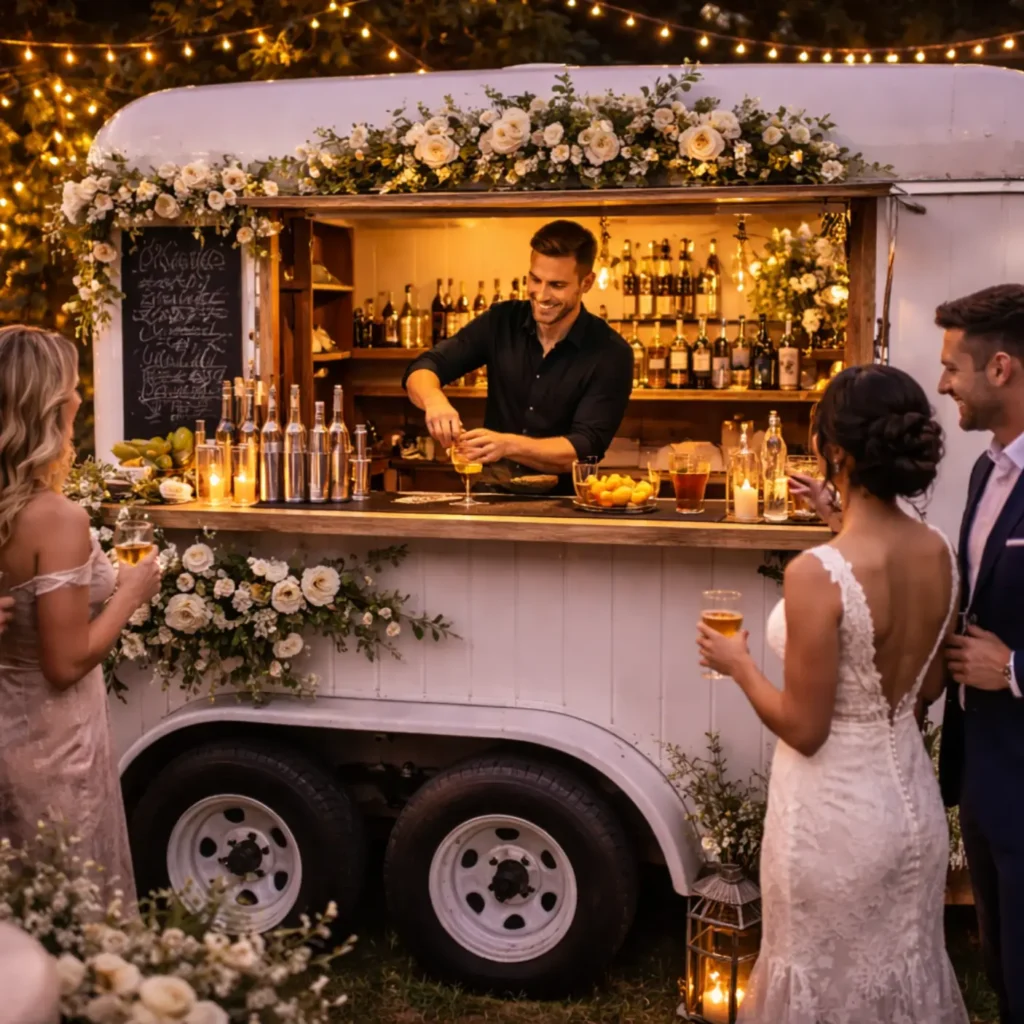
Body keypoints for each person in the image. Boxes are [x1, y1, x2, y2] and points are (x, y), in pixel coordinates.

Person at [696, 364, 968, 1023]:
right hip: (911, 815)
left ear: (834, 452)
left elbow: (805, 727)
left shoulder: (816, 574)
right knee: (899, 979)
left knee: (819, 982)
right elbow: (928, 684)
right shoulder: (938, 552)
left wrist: (737, 664)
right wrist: (837, 517)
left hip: (831, 822)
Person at [0, 325, 161, 900]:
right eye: (70, 387)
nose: (78, 398)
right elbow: (64, 664)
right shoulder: (55, 518)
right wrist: (130, 591)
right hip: (50, 745)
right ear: (46, 405)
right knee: (69, 902)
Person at [933, 285, 1024, 1024]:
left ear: (1000, 369)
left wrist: (1018, 669)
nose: (941, 384)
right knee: (1002, 964)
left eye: (951, 368)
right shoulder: (984, 469)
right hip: (985, 767)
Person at [403, 219, 633, 492]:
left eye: (557, 285)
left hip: (564, 505)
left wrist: (506, 445)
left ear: (586, 283)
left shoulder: (611, 352)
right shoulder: (502, 321)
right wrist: (434, 401)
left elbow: (583, 447)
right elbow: (425, 366)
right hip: (491, 494)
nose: (541, 294)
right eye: (535, 279)